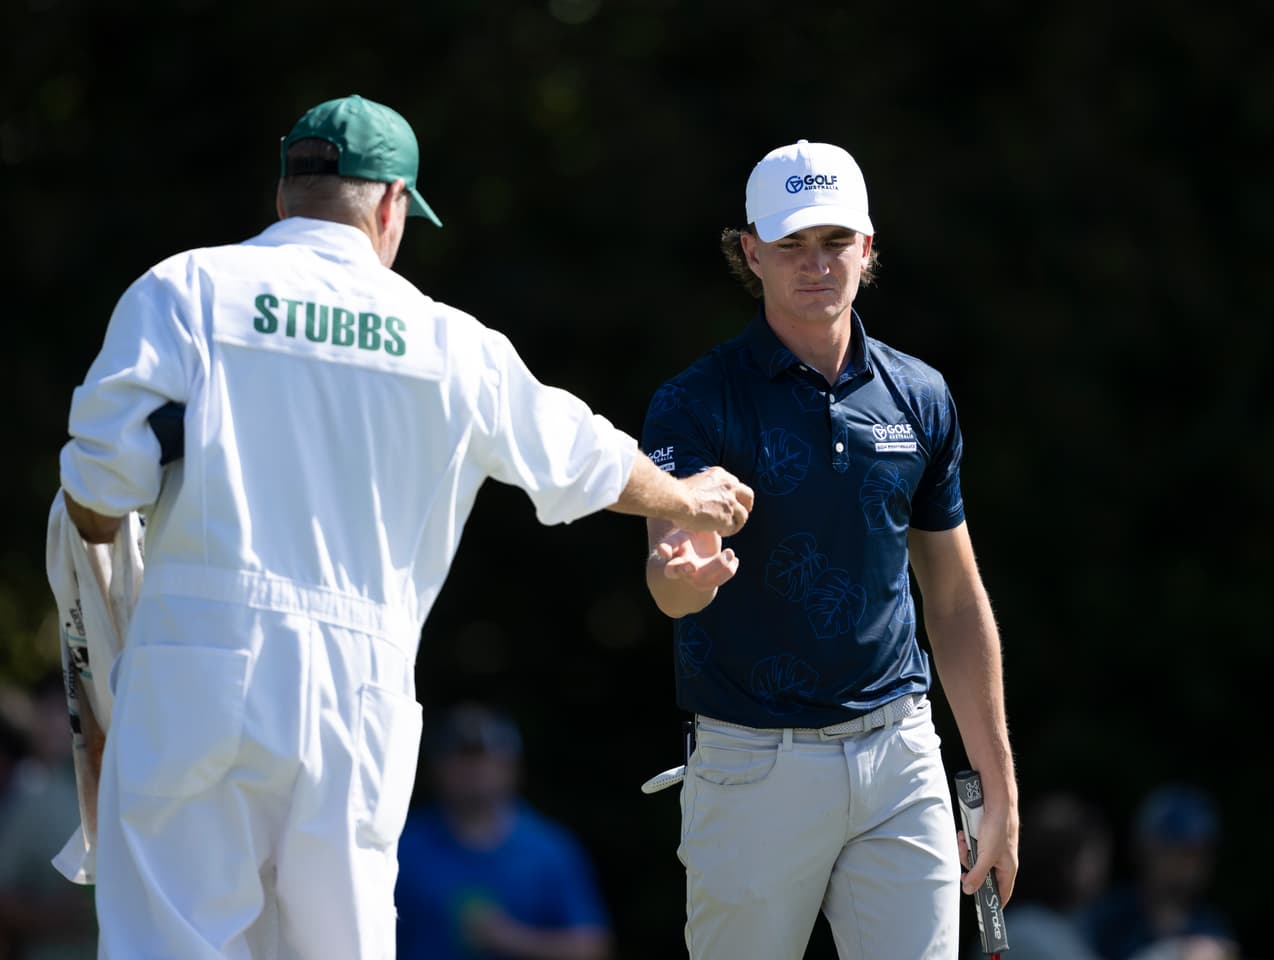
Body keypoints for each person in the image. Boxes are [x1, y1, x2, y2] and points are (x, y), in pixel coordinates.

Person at [57, 94, 752, 959]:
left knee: (173, 941)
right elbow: (584, 458)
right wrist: (687, 497)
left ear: (284, 196)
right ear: (391, 206)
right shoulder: (448, 339)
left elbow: (99, 487)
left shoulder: (187, 289)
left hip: (197, 659)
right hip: (360, 684)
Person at [638, 139, 1018, 959]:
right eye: (791, 244)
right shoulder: (696, 404)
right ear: (751, 252)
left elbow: (952, 600)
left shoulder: (918, 396)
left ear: (869, 247)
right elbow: (669, 573)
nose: (817, 264)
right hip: (751, 764)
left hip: (900, 754)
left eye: (836, 240)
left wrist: (998, 787)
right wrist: (685, 580)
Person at [396, 703, 611, 960]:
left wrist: (512, 938)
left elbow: (592, 947)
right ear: (437, 768)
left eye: (484, 757)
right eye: (460, 759)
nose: (473, 771)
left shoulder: (548, 849)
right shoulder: (403, 846)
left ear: (511, 766)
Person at [0, 679, 98, 959]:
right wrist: (59, 916)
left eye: (65, 711)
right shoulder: (28, 794)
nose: (58, 725)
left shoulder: (105, 786)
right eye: (49, 712)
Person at [1083, 784, 1236, 960]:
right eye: (1175, 850)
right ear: (1144, 849)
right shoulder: (1105, 918)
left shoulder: (1212, 930)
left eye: (1197, 853)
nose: (1188, 864)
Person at [970, 791, 1110, 960]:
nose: (1102, 865)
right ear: (1067, 865)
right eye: (1091, 856)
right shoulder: (1031, 938)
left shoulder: (1012, 926)